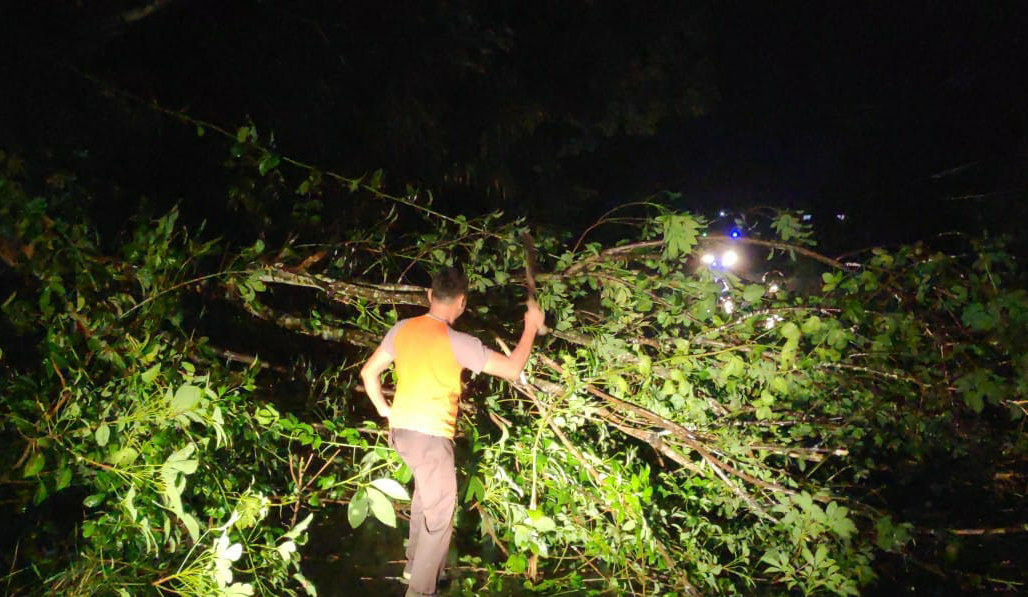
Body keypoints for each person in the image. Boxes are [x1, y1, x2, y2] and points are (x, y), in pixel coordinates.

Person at [360, 267, 545, 597]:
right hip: (430, 436)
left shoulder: (401, 329)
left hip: (402, 433)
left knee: (425, 497)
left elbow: (368, 373)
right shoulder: (458, 342)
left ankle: (413, 566)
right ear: (462, 302)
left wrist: (384, 411)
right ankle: (420, 591)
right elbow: (513, 369)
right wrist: (530, 327)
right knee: (442, 512)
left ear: (430, 296)